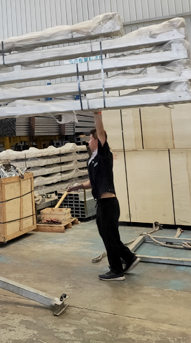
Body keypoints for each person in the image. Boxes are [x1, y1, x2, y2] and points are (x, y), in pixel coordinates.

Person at [67, 111, 139, 281]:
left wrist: (97, 114)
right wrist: (77, 186)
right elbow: (92, 183)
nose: (88, 141)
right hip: (102, 203)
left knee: (109, 237)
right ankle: (129, 258)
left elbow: (100, 132)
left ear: (97, 140)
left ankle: (116, 271)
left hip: (108, 204)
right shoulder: (92, 159)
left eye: (90, 139)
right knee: (109, 235)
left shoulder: (103, 154)